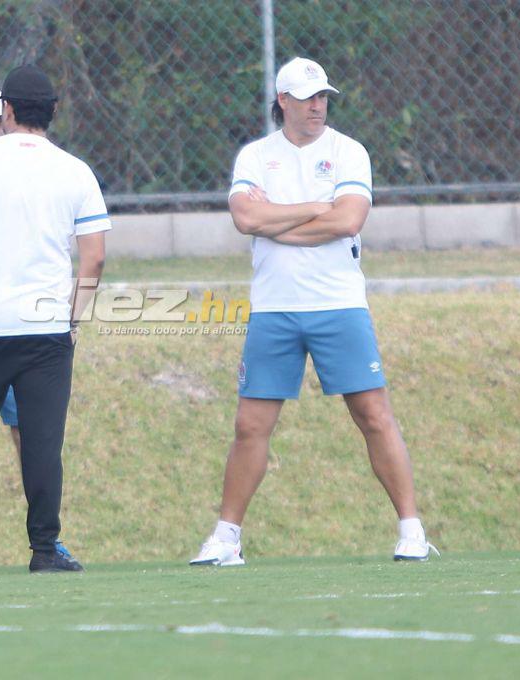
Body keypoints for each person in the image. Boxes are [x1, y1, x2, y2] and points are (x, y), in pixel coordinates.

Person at [190, 58, 436, 566]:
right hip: (274, 310)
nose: (317, 106)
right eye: (306, 98)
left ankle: (412, 531)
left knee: (373, 416)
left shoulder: (349, 152)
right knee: (250, 426)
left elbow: (348, 220)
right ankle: (226, 537)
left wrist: (277, 222)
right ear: (282, 101)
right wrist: (312, 208)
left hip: (339, 305)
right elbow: (244, 217)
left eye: (323, 96)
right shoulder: (256, 156)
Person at [0, 64, 108, 575]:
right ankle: (45, 550)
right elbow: (93, 256)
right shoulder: (75, 170)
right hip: (46, 329)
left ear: (5, 110)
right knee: (43, 441)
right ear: (53, 112)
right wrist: (74, 319)